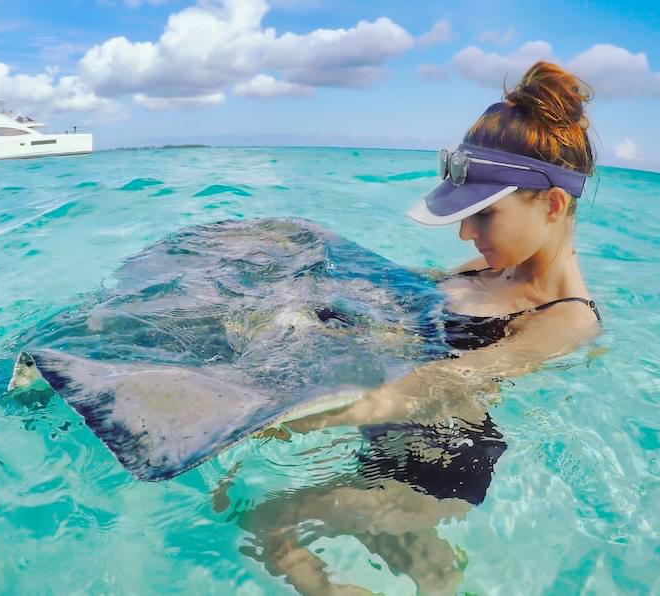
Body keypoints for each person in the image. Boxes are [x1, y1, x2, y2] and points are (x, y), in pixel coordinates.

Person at [231, 61, 602, 595]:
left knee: (266, 524)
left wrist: (296, 418)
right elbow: (400, 302)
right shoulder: (486, 269)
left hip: (437, 467)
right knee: (428, 574)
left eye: (483, 214)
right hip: (386, 437)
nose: (464, 233)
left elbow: (439, 385)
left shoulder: (565, 319)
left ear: (551, 203)